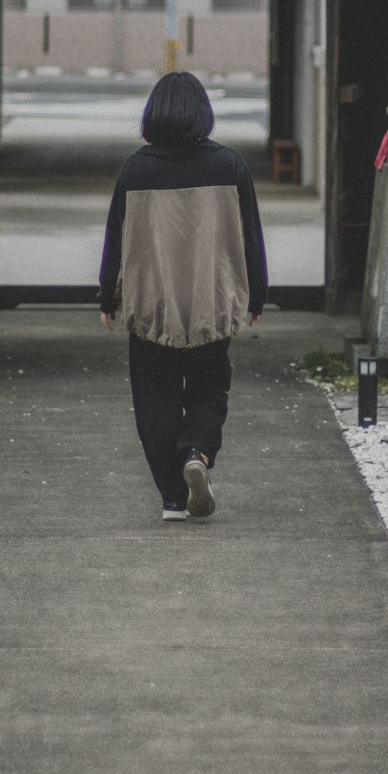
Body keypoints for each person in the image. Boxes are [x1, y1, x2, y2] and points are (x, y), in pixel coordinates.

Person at [98, 71, 268, 522]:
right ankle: (197, 452)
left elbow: (115, 236)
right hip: (211, 300)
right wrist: (256, 297)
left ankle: (173, 497)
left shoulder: (136, 169)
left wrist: (105, 297)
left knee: (155, 398)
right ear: (203, 113)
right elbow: (251, 234)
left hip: (151, 303)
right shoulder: (230, 166)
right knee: (211, 388)